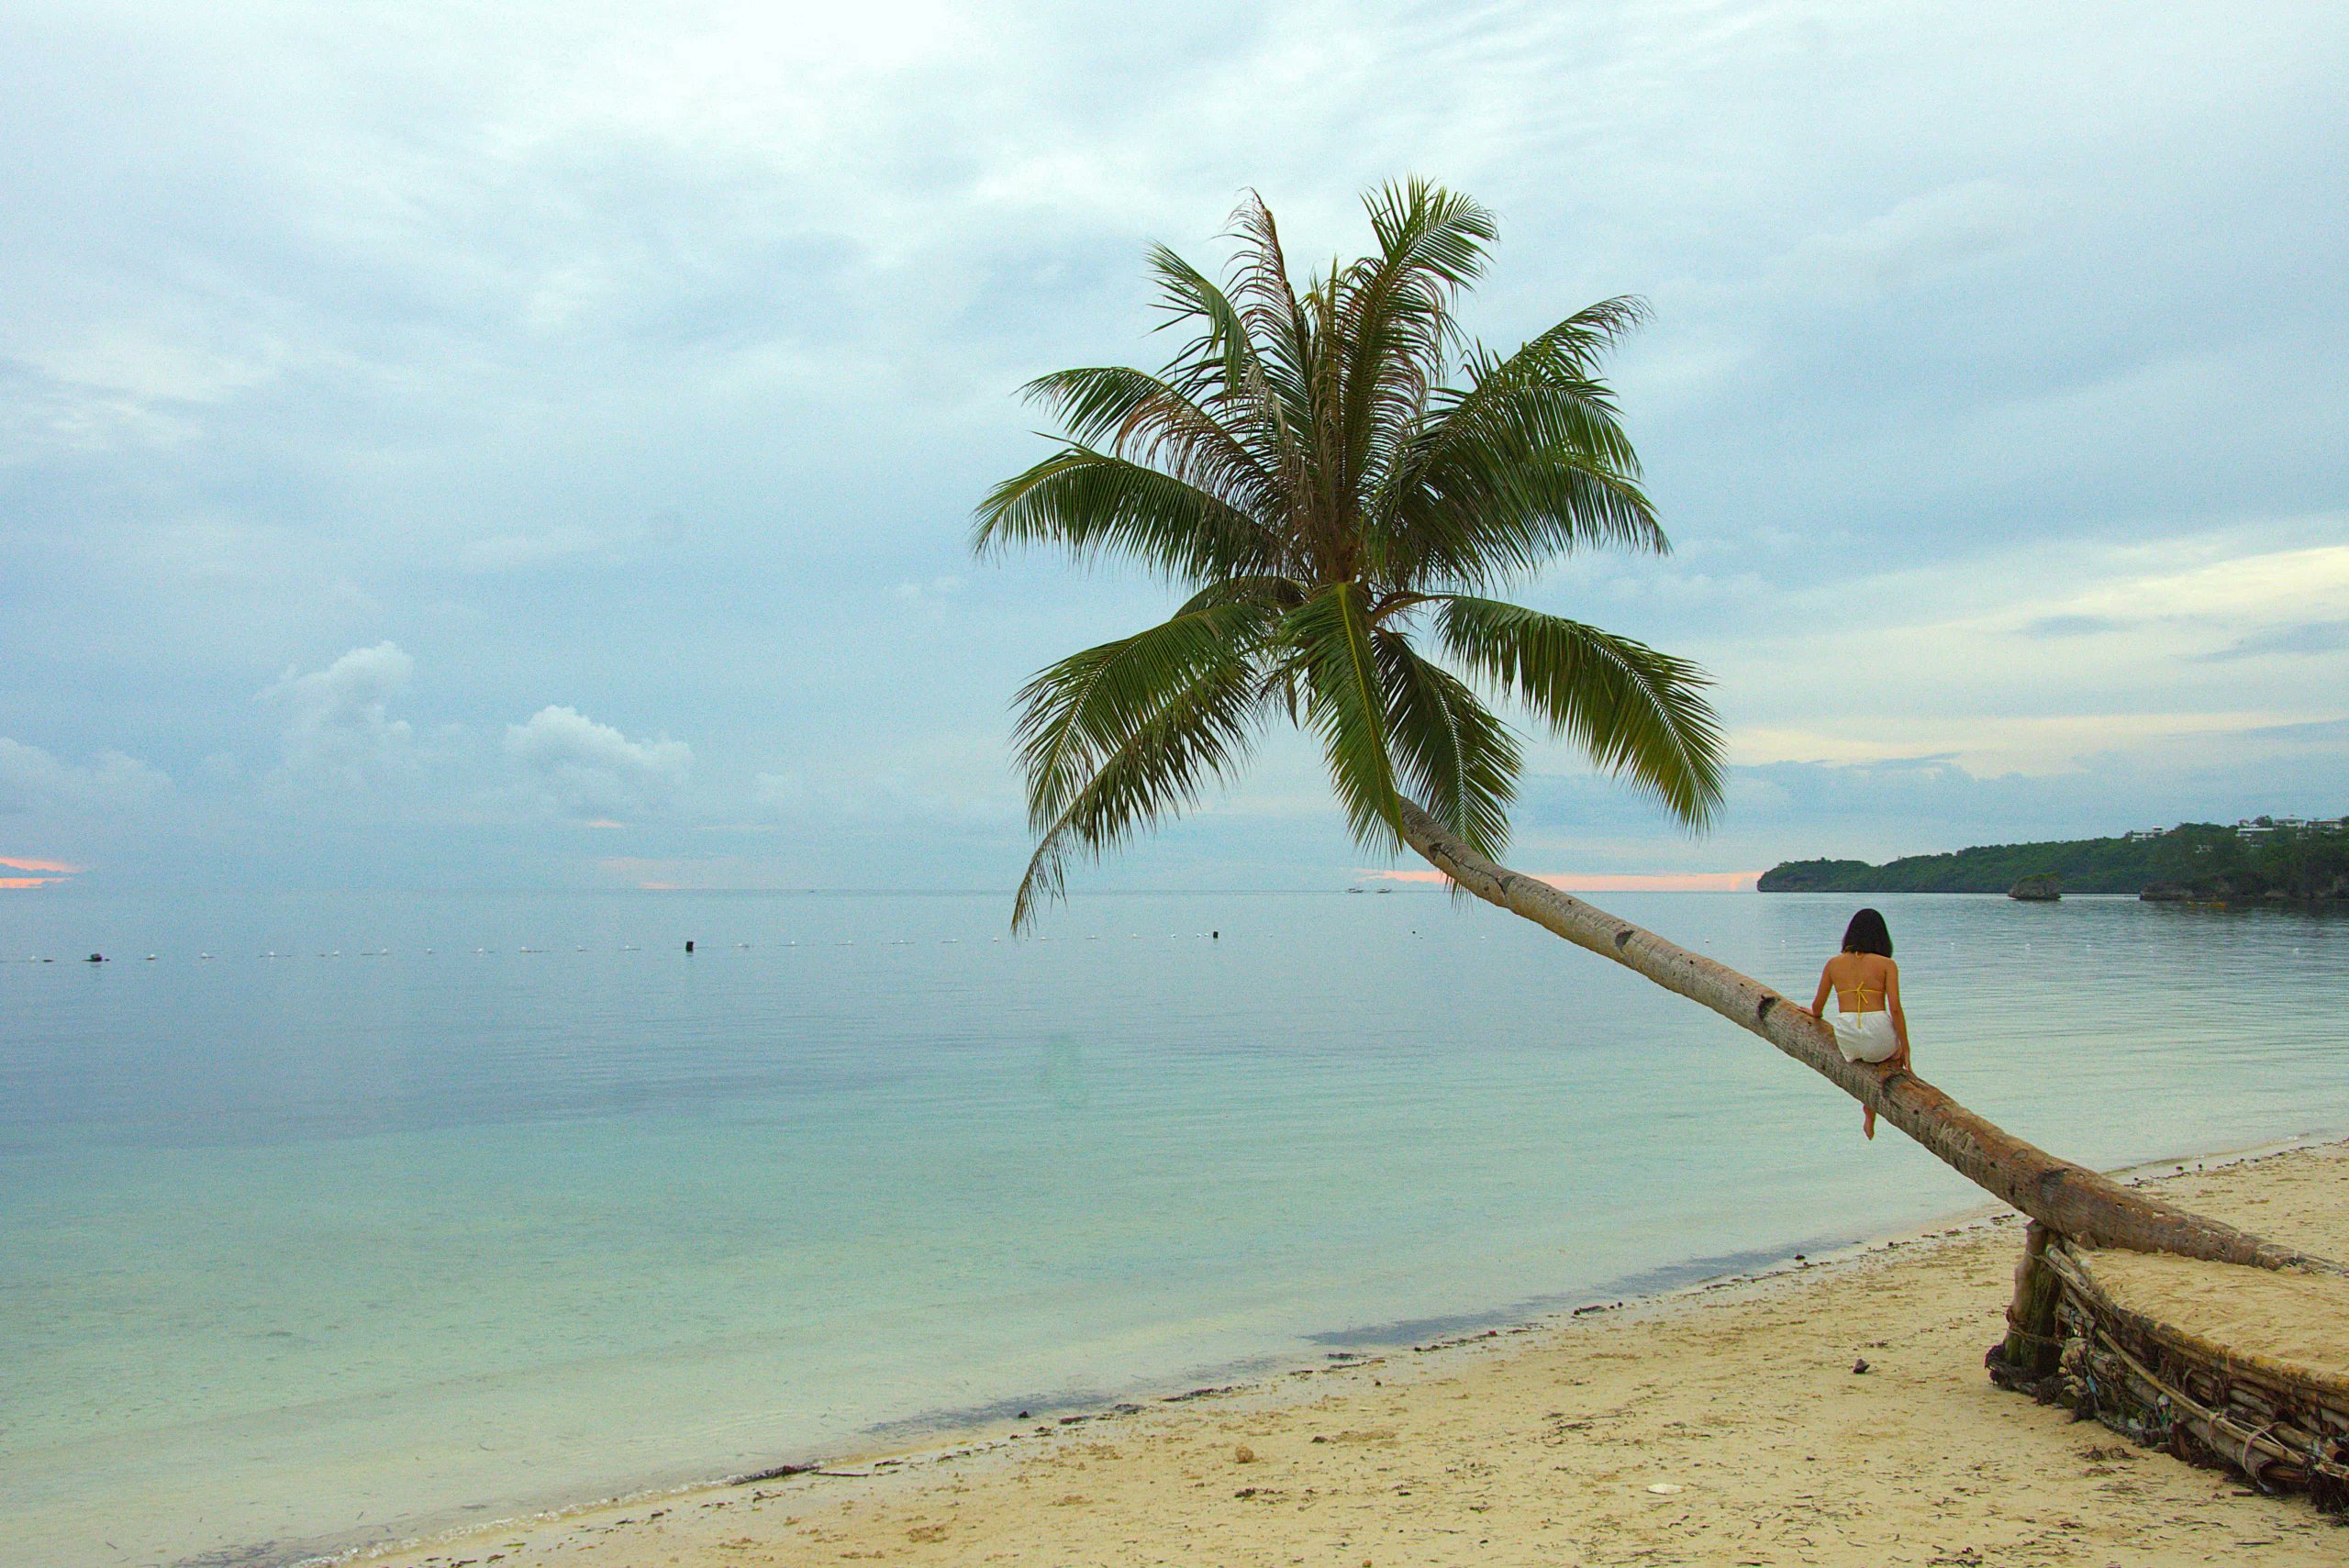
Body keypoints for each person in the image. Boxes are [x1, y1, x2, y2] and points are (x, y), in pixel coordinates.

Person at [1802, 907, 1910, 1140]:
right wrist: (1906, 1049)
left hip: (1848, 1035)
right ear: (1881, 936)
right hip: (1878, 1032)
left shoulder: (1833, 964)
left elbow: (1817, 1008)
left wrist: (1810, 1012)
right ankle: (1871, 1110)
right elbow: (1895, 1009)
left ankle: (1868, 1112)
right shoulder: (1887, 964)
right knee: (1890, 1056)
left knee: (1865, 1057)